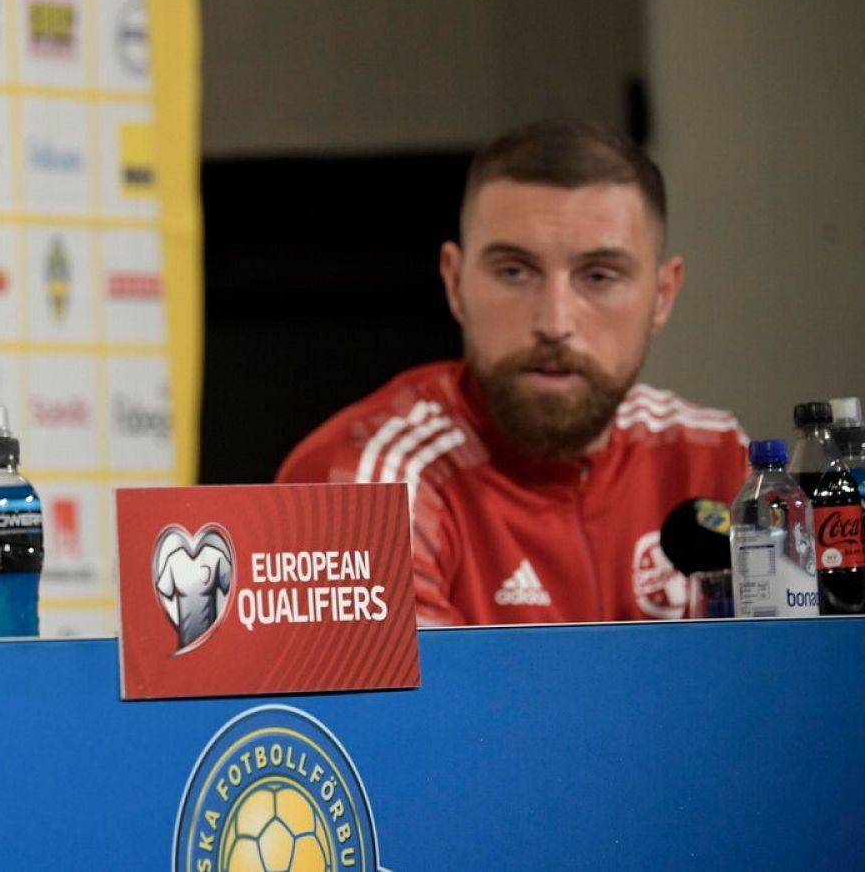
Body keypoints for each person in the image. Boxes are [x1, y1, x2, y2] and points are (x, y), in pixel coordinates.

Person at [277, 118, 747, 626]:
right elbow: (433, 708)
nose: (555, 323)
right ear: (455, 284)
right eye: (514, 272)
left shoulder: (712, 458)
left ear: (663, 295)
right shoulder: (369, 487)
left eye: (599, 276)